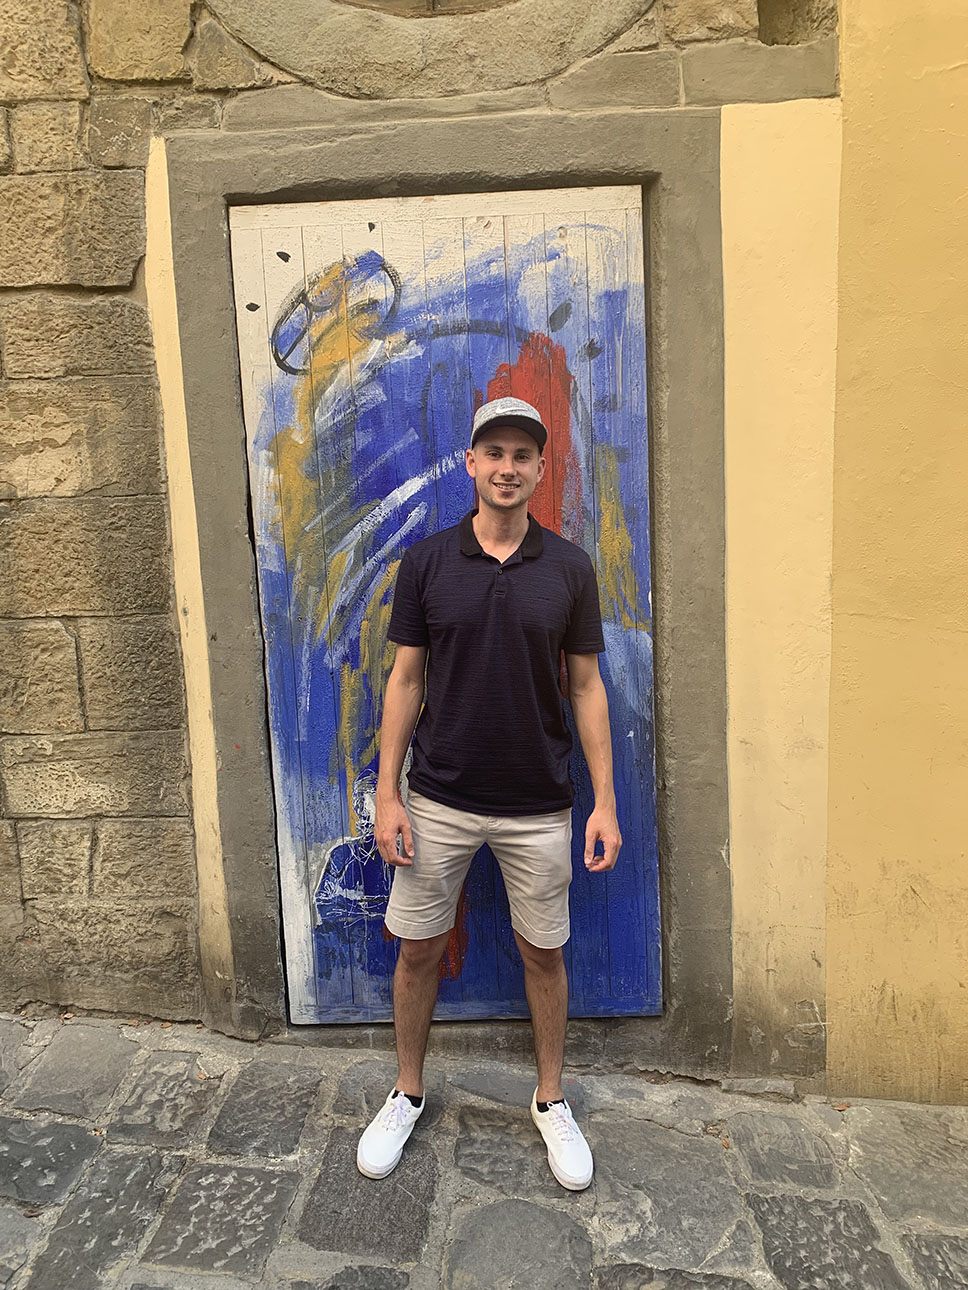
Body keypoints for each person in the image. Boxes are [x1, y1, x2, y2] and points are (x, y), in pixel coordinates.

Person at [356, 395, 622, 1190]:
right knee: (418, 949)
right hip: (438, 796)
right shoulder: (428, 563)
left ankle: (550, 1099)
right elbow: (406, 680)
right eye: (494, 453)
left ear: (541, 468)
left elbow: (586, 687)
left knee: (544, 952)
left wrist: (605, 803)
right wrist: (388, 795)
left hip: (539, 803)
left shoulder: (569, 569)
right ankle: (407, 1092)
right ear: (471, 464)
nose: (508, 468)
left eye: (522, 455)